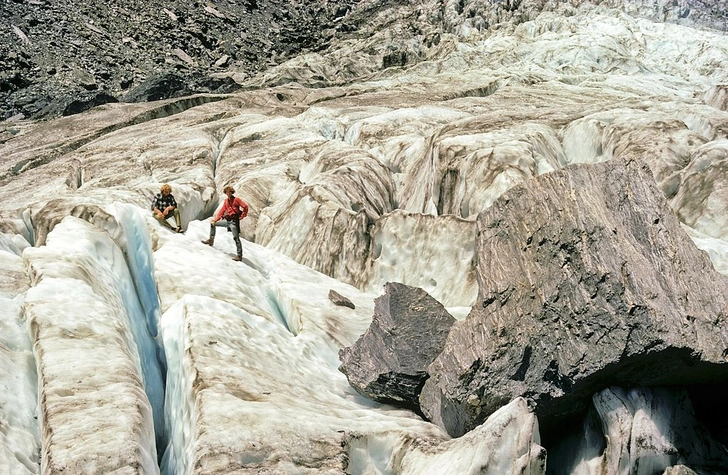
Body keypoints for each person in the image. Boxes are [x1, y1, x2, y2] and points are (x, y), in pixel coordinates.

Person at [202, 185, 249, 261]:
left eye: (229, 192)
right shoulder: (226, 201)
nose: (228, 193)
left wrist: (242, 216)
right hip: (227, 221)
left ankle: (239, 255)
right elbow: (222, 211)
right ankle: (211, 240)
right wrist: (216, 220)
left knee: (236, 238)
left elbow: (245, 207)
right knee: (212, 224)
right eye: (227, 192)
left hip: (234, 222)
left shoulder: (236, 200)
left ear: (231, 192)